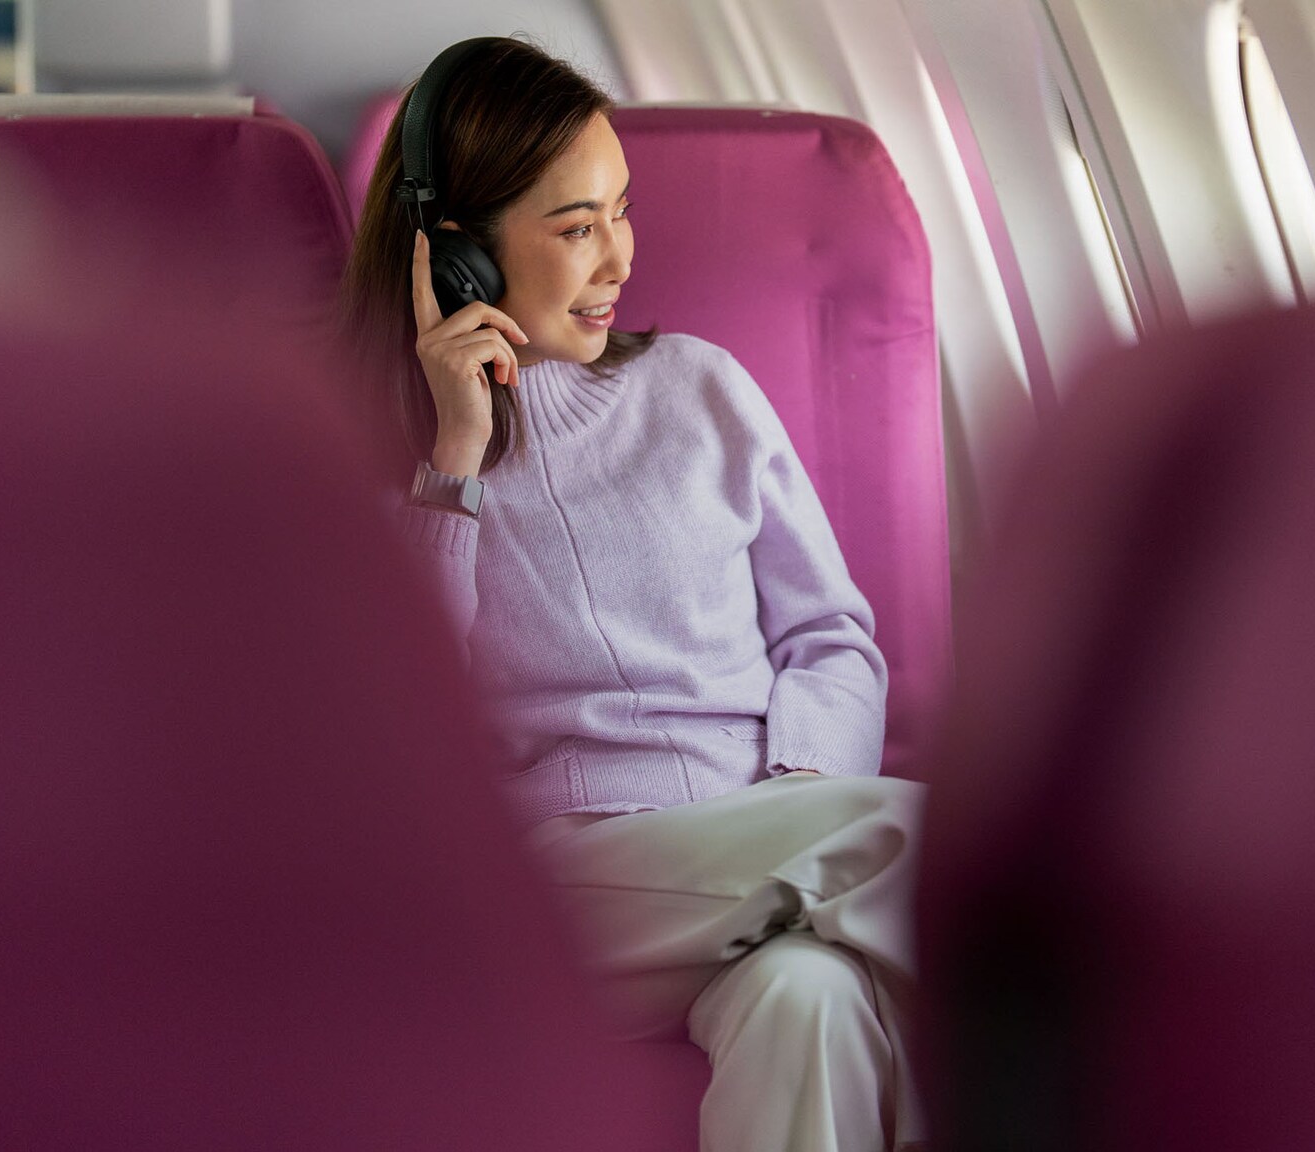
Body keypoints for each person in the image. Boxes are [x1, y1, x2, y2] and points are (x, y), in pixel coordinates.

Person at [336, 37, 926, 1152]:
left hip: (763, 848)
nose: (616, 259)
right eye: (574, 229)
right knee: (911, 843)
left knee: (813, 1001)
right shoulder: (378, 471)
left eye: (620, 211)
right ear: (456, 257)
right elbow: (394, 732)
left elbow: (829, 636)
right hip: (545, 904)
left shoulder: (699, 388)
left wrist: (792, 798)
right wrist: (452, 459)